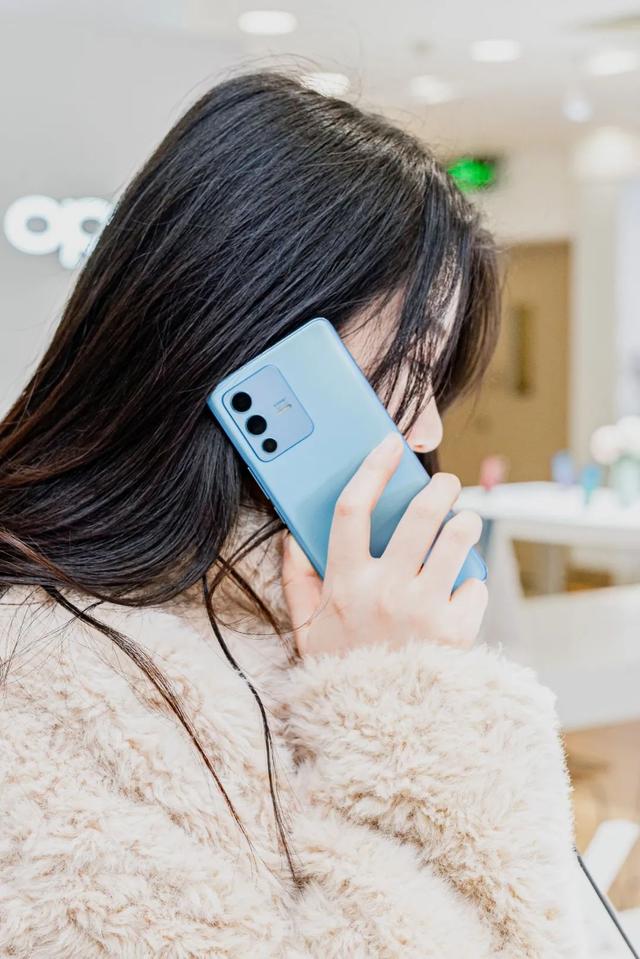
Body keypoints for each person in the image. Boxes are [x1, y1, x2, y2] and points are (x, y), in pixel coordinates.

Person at [0, 71, 585, 957]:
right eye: (412, 366)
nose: (430, 427)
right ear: (253, 342)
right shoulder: (39, 679)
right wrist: (395, 703)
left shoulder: (305, 620)